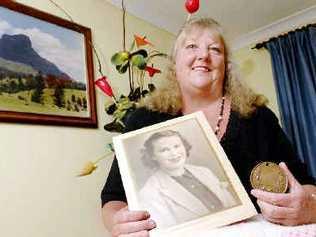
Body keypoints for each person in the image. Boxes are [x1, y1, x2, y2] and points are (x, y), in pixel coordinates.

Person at [101, 17, 316, 236]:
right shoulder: (142, 119)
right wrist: (118, 223)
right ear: (174, 63)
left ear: (226, 66)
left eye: (215, 49)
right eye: (192, 46)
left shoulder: (259, 117)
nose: (203, 55)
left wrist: (310, 207)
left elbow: (306, 184)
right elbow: (113, 198)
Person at [138, 130, 237, 228]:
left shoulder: (204, 171)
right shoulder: (150, 192)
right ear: (153, 156)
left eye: (176, 146)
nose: (174, 153)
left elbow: (232, 205)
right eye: (164, 150)